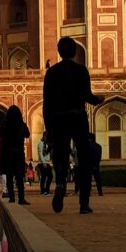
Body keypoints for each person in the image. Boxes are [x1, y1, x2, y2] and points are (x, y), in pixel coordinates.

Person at [43, 37, 102, 214]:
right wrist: (98, 100)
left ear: (59, 52)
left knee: (60, 157)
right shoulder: (80, 70)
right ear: (75, 51)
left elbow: (47, 103)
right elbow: (87, 95)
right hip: (77, 117)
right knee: (84, 161)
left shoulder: (52, 73)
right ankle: (84, 204)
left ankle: (60, 183)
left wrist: (49, 127)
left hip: (58, 119)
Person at [0, 105, 30, 204]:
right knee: (19, 176)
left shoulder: (4, 125)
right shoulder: (21, 125)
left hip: (7, 153)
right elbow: (27, 134)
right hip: (18, 152)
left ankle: (11, 197)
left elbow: (0, 135)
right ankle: (21, 198)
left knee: (9, 175)